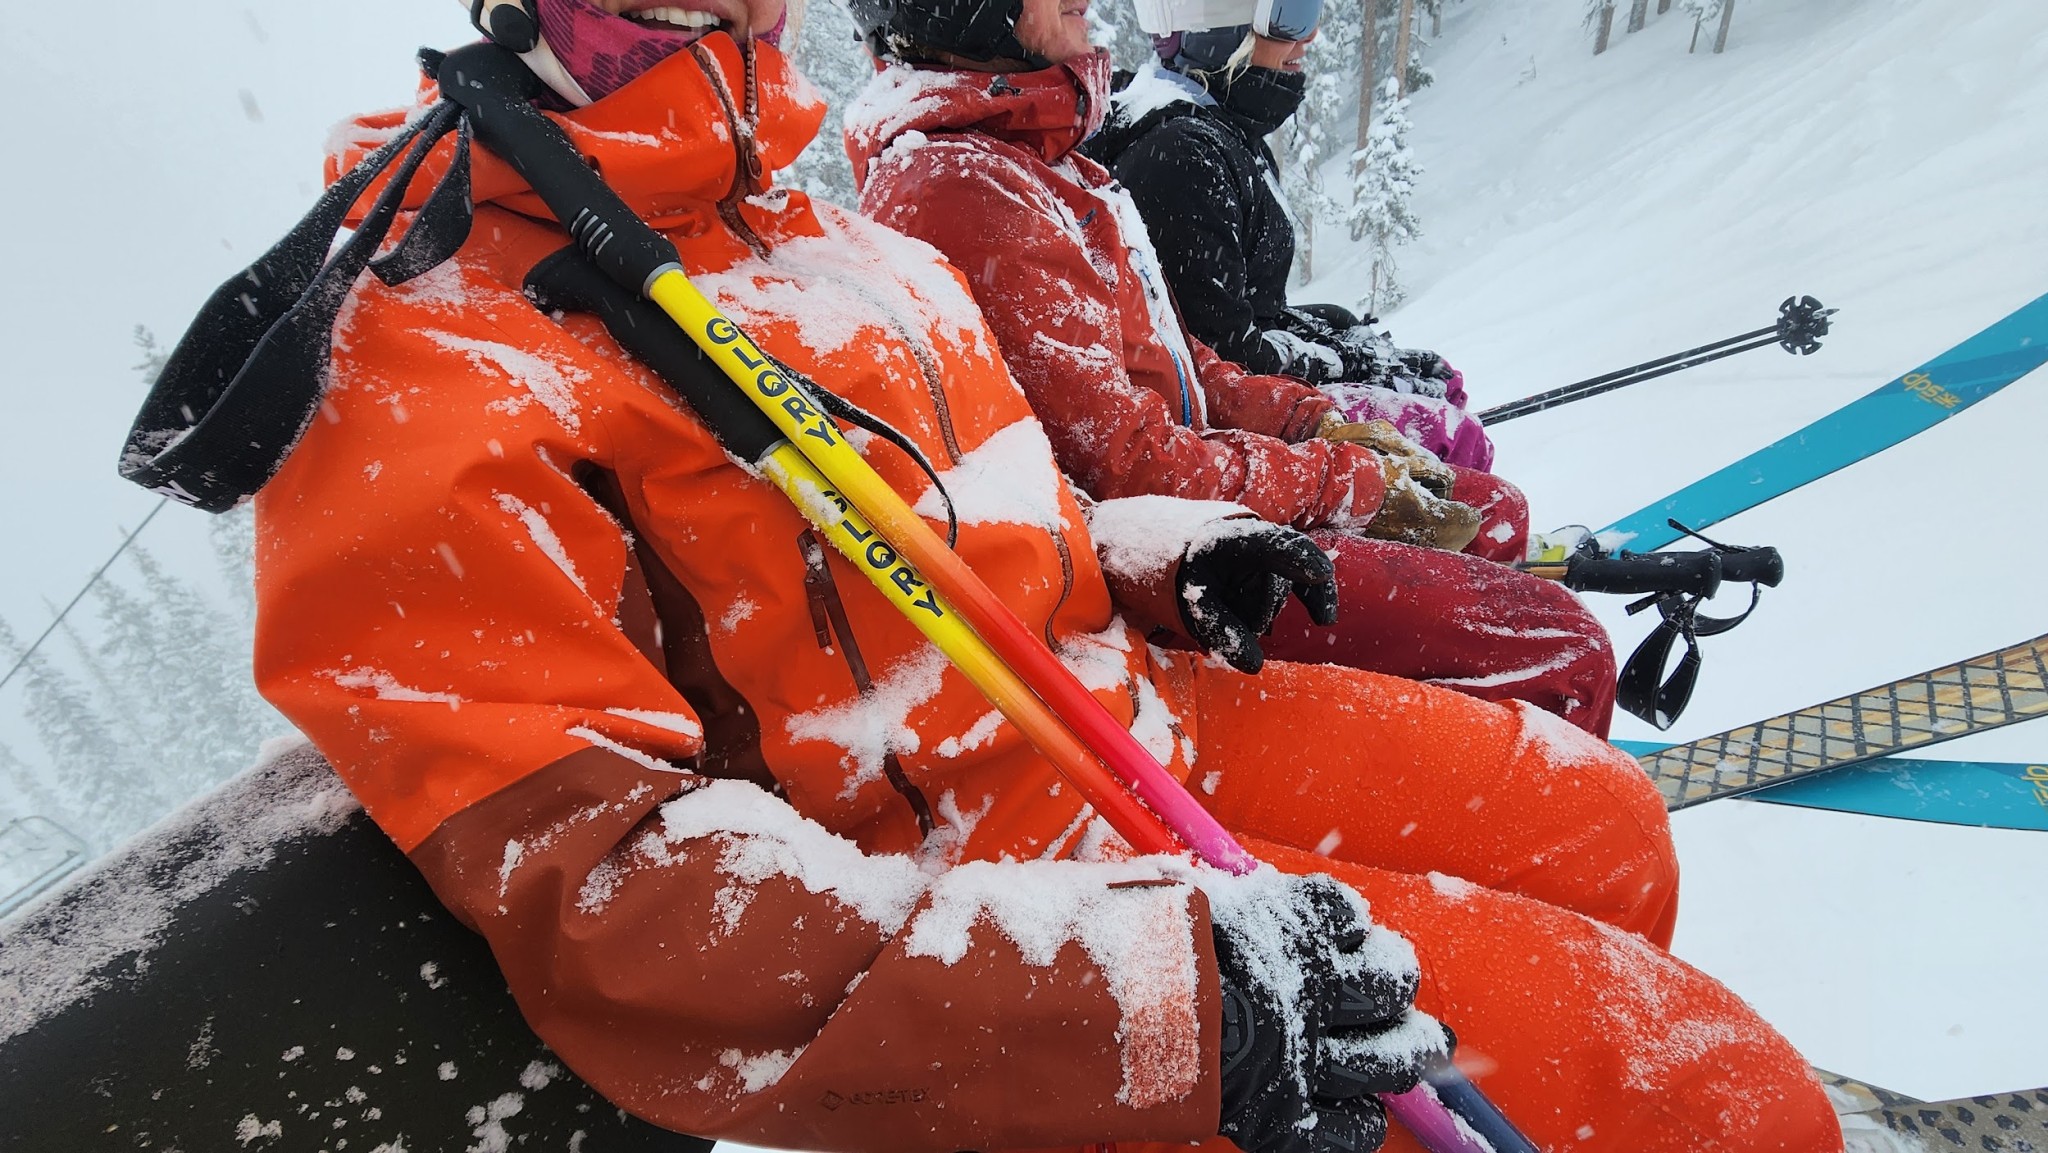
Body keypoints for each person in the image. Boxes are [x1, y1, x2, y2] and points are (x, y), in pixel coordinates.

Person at [140, 1, 1832, 1150]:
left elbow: (1014, 530)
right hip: (991, 901)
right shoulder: (431, 360)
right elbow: (619, 911)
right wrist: (1161, 1007)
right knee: (1725, 1101)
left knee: (1598, 825)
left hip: (1129, 714)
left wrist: (1169, 561)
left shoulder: (829, 243)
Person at [844, 1, 1620, 734]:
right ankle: (1484, 771)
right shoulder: (968, 189)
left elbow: (1186, 363)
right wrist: (1339, 480)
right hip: (1176, 576)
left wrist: (1313, 422)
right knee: (1562, 648)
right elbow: (1127, 465)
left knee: (1491, 515)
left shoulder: (1050, 164)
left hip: (1204, 514)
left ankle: (1466, 743)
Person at [1083, 15, 1496, 472]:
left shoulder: (1218, 130)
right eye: (1288, 14)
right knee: (1453, 439)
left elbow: (1250, 314)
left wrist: (1343, 339)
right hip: (1220, 420)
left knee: (1443, 387)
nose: (1308, 37)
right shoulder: (1182, 153)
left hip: (1246, 387)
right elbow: (1224, 355)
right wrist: (1351, 363)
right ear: (1218, 30)